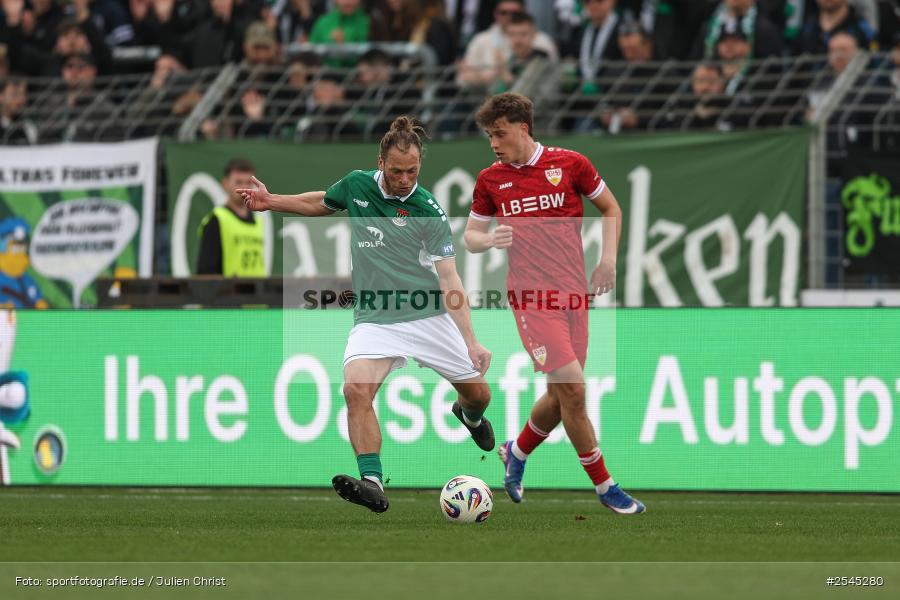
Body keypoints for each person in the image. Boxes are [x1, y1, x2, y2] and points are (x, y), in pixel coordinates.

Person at [237, 116, 495, 513]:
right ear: (381, 163)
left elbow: (449, 278)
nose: (405, 179)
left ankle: (469, 417)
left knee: (480, 395)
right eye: (397, 171)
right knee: (355, 389)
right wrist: (272, 202)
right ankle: (372, 483)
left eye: (412, 171)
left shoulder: (428, 210)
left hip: (426, 315)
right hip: (376, 317)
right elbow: (322, 202)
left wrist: (471, 340)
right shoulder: (357, 184)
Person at [464, 92, 645, 515]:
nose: (494, 143)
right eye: (490, 136)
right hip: (531, 299)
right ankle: (606, 487)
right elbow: (470, 237)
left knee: (561, 397)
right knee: (574, 391)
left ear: (523, 128)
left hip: (573, 295)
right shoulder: (491, 179)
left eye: (500, 134)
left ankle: (515, 451)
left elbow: (611, 208)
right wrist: (488, 240)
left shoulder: (570, 164)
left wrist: (608, 260)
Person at [196, 158, 267, 276]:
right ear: (225, 184)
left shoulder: (258, 221)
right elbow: (206, 271)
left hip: (257, 287)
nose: (244, 188)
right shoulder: (216, 220)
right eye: (238, 182)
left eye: (248, 183)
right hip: (230, 288)